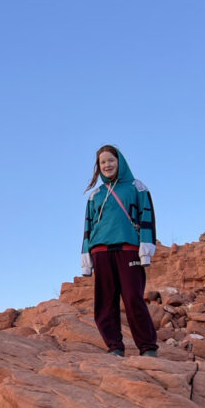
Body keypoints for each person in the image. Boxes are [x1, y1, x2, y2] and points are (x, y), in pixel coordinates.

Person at [81, 145, 159, 357]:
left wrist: (146, 247)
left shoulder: (137, 187)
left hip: (128, 249)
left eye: (110, 160)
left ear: (120, 161)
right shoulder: (95, 195)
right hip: (100, 251)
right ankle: (114, 347)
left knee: (133, 297)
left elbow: (147, 216)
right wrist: (85, 256)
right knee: (105, 302)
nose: (107, 165)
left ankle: (148, 347)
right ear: (98, 167)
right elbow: (88, 227)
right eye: (102, 162)